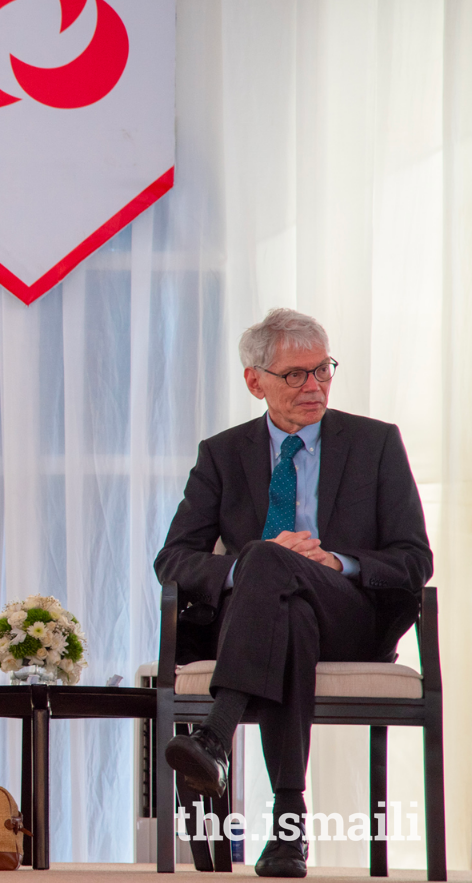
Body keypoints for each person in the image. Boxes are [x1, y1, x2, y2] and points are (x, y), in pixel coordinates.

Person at [155, 309, 432, 878]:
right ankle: (289, 825)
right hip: (271, 622)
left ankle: (216, 731)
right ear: (255, 381)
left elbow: (414, 559)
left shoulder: (376, 443)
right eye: (295, 375)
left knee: (272, 564)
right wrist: (250, 569)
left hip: (351, 615)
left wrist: (336, 561)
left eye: (323, 370)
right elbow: (173, 560)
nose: (314, 387)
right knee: (284, 600)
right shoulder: (222, 454)